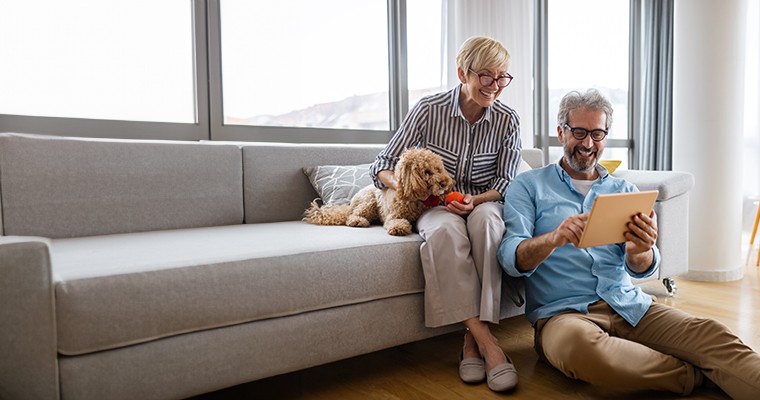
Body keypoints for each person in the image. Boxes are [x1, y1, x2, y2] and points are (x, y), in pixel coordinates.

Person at [497, 88, 760, 399]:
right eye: (579, 132)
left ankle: (715, 369)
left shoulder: (623, 189)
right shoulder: (529, 186)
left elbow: (640, 268)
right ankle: (695, 375)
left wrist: (642, 251)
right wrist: (555, 238)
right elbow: (511, 259)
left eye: (597, 133)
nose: (588, 143)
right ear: (560, 133)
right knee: (582, 351)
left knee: (712, 334)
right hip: (563, 316)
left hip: (630, 305)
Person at [369, 36, 521, 392]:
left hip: (482, 202)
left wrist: (476, 199)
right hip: (434, 206)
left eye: (502, 77)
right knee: (444, 233)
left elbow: (506, 181)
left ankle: (470, 342)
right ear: (462, 73)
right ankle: (488, 343)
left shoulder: (508, 120)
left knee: (488, 226)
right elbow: (382, 165)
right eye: (486, 76)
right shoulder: (427, 110)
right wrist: (410, 188)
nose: (495, 86)